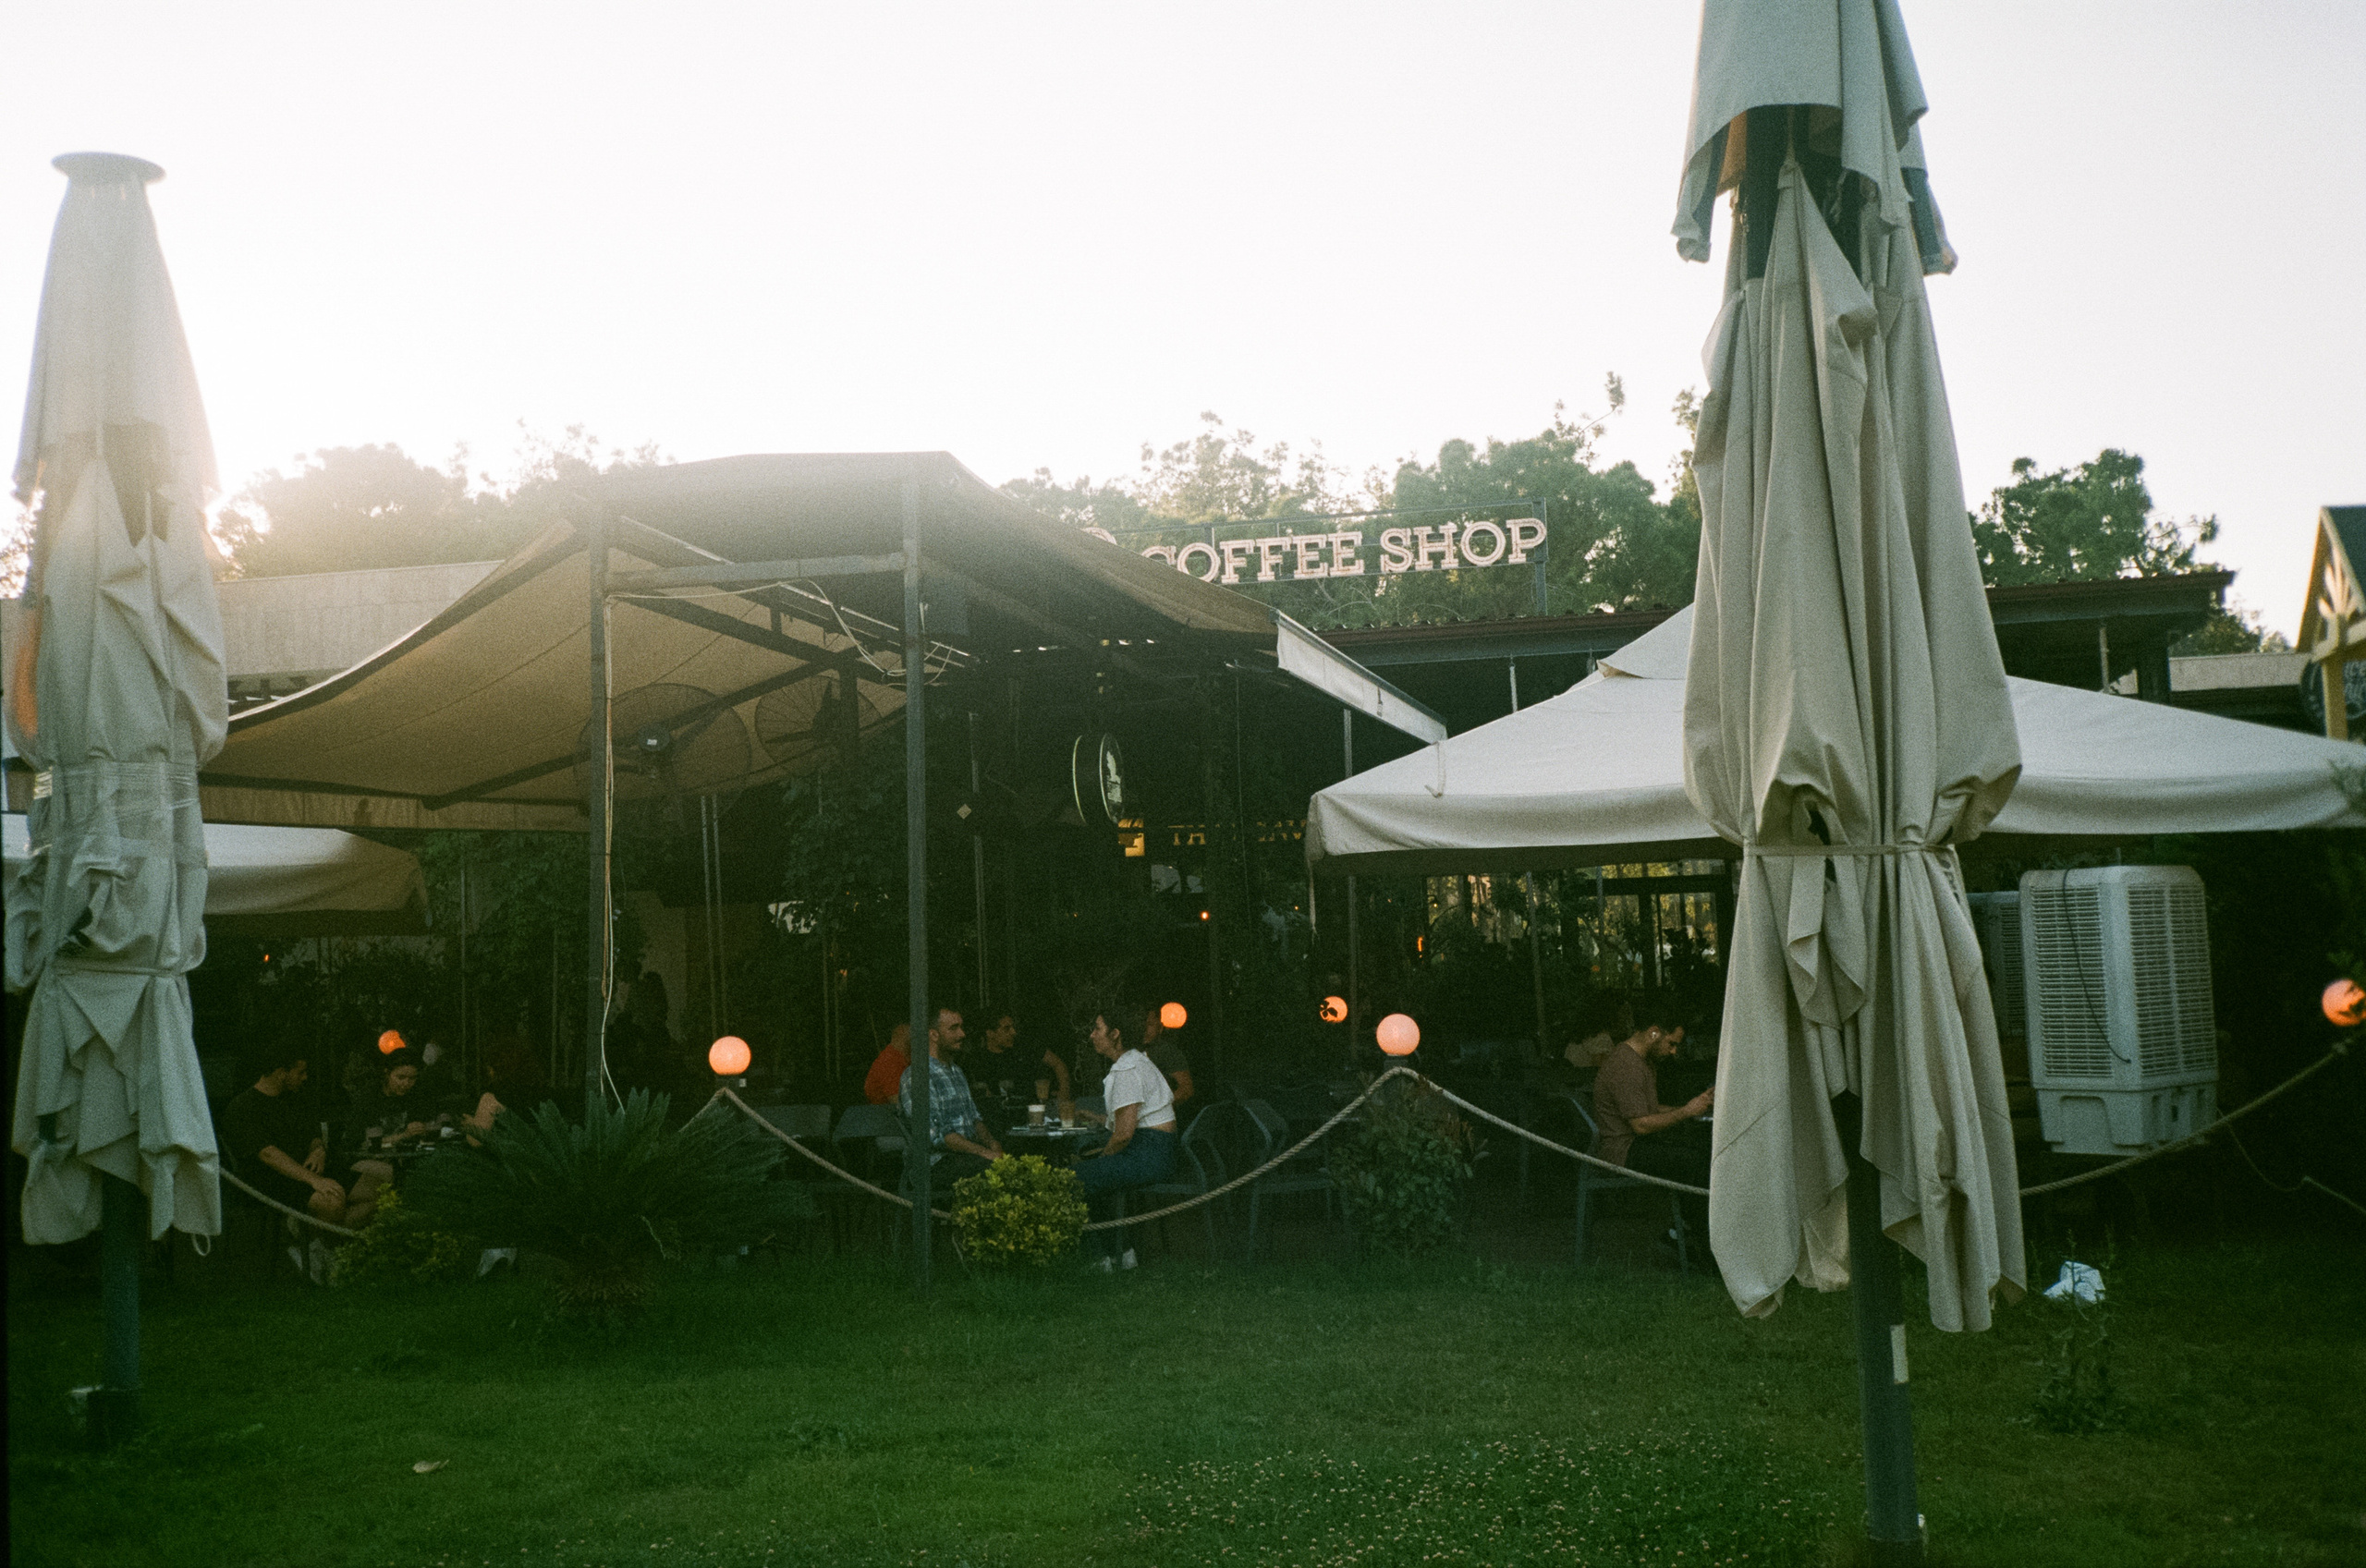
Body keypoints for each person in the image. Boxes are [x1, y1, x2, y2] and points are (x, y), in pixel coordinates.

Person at [217, 1042, 383, 1278]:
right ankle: (325, 1251)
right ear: (281, 1073)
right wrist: (315, 1181)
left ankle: (315, 1242)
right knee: (332, 1202)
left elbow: (313, 1135)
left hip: (309, 1168)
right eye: (300, 1072)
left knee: (379, 1191)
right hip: (272, 1178)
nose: (305, 1078)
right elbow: (268, 1154)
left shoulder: (296, 1100)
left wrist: (318, 1149)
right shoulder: (243, 1107)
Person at [1075, 1008, 1177, 1271]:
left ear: (1115, 1034)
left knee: (1076, 1177)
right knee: (1091, 1173)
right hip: (1156, 1151)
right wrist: (1097, 1118)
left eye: (1097, 1029)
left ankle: (1103, 1259)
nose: (1092, 1035)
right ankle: (1122, 1254)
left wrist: (1102, 1159)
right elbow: (1131, 1119)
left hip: (1149, 1155)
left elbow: (1122, 1136)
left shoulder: (1127, 1068)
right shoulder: (1137, 1061)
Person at [1592, 1011, 1712, 1190]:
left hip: (1633, 1144)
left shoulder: (1640, 1060)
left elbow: (1650, 1108)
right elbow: (1641, 1125)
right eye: (1671, 1043)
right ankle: (1697, 1217)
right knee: (1695, 1159)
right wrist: (1686, 1111)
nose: (1673, 1051)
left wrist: (1696, 1107)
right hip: (1622, 1152)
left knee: (1703, 1144)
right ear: (1653, 1032)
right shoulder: (1626, 1065)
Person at [897, 1006, 1003, 1187]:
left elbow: (975, 1118)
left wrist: (992, 1144)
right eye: (953, 1028)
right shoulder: (918, 1075)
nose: (962, 1034)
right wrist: (982, 1152)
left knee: (1018, 1163)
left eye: (961, 1027)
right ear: (934, 1035)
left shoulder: (956, 1071)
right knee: (995, 1172)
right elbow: (934, 1134)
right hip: (935, 1165)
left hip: (966, 1157)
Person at [972, 1012, 1071, 1112]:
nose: (1013, 1032)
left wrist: (1064, 1094)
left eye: (1013, 1027)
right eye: (1006, 1029)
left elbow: (1058, 1064)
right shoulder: (979, 1060)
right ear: (990, 1033)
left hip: (1035, 1109)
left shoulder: (1025, 1046)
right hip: (1004, 1112)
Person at [1139, 1004, 1196, 1107]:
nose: (1144, 1029)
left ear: (1160, 1028)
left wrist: (1159, 1108)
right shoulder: (1130, 1050)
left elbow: (1186, 1089)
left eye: (1150, 1024)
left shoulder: (1167, 1051)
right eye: (1141, 1024)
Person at [863, 1022, 912, 1106]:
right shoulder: (889, 1062)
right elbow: (899, 1104)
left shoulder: (908, 1057)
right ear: (902, 1031)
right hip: (887, 1115)